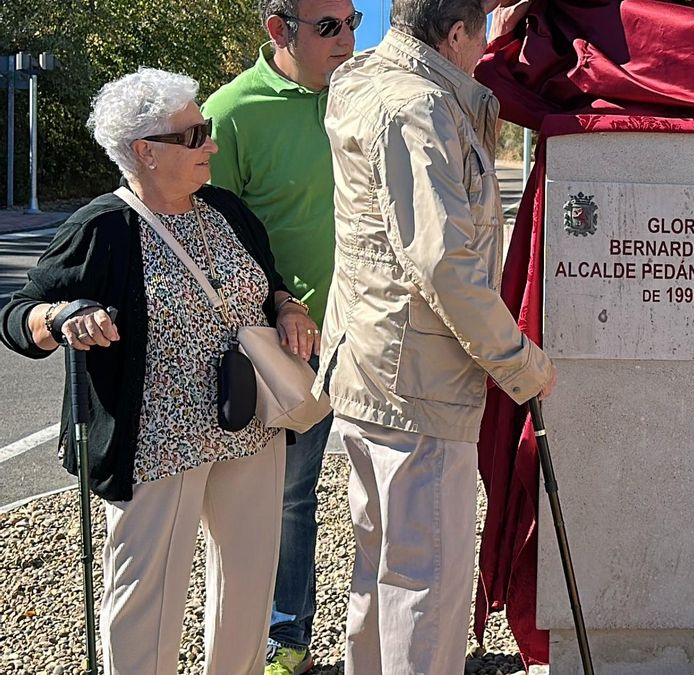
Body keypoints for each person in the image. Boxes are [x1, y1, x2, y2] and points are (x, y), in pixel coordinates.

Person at [0, 68, 319, 674]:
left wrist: (288, 307)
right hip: (156, 442)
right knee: (146, 598)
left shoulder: (225, 208)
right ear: (145, 151)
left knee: (249, 584)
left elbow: (268, 282)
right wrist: (64, 315)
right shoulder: (101, 227)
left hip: (248, 425)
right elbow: (19, 314)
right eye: (196, 134)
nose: (213, 146)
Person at [316, 0, 556, 672]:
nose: (484, 47)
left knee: (383, 573)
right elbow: (443, 263)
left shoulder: (365, 79)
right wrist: (518, 360)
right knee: (427, 586)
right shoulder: (418, 110)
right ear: (453, 35)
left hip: (372, 369)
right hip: (418, 384)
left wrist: (489, 37)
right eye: (476, 33)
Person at [202, 1, 357, 671]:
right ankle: (281, 643)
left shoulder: (362, 95)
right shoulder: (231, 112)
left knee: (374, 489)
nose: (349, 39)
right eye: (331, 27)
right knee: (289, 497)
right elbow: (213, 236)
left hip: (371, 334)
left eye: (353, 21)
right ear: (278, 30)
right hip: (287, 348)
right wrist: (280, 304)